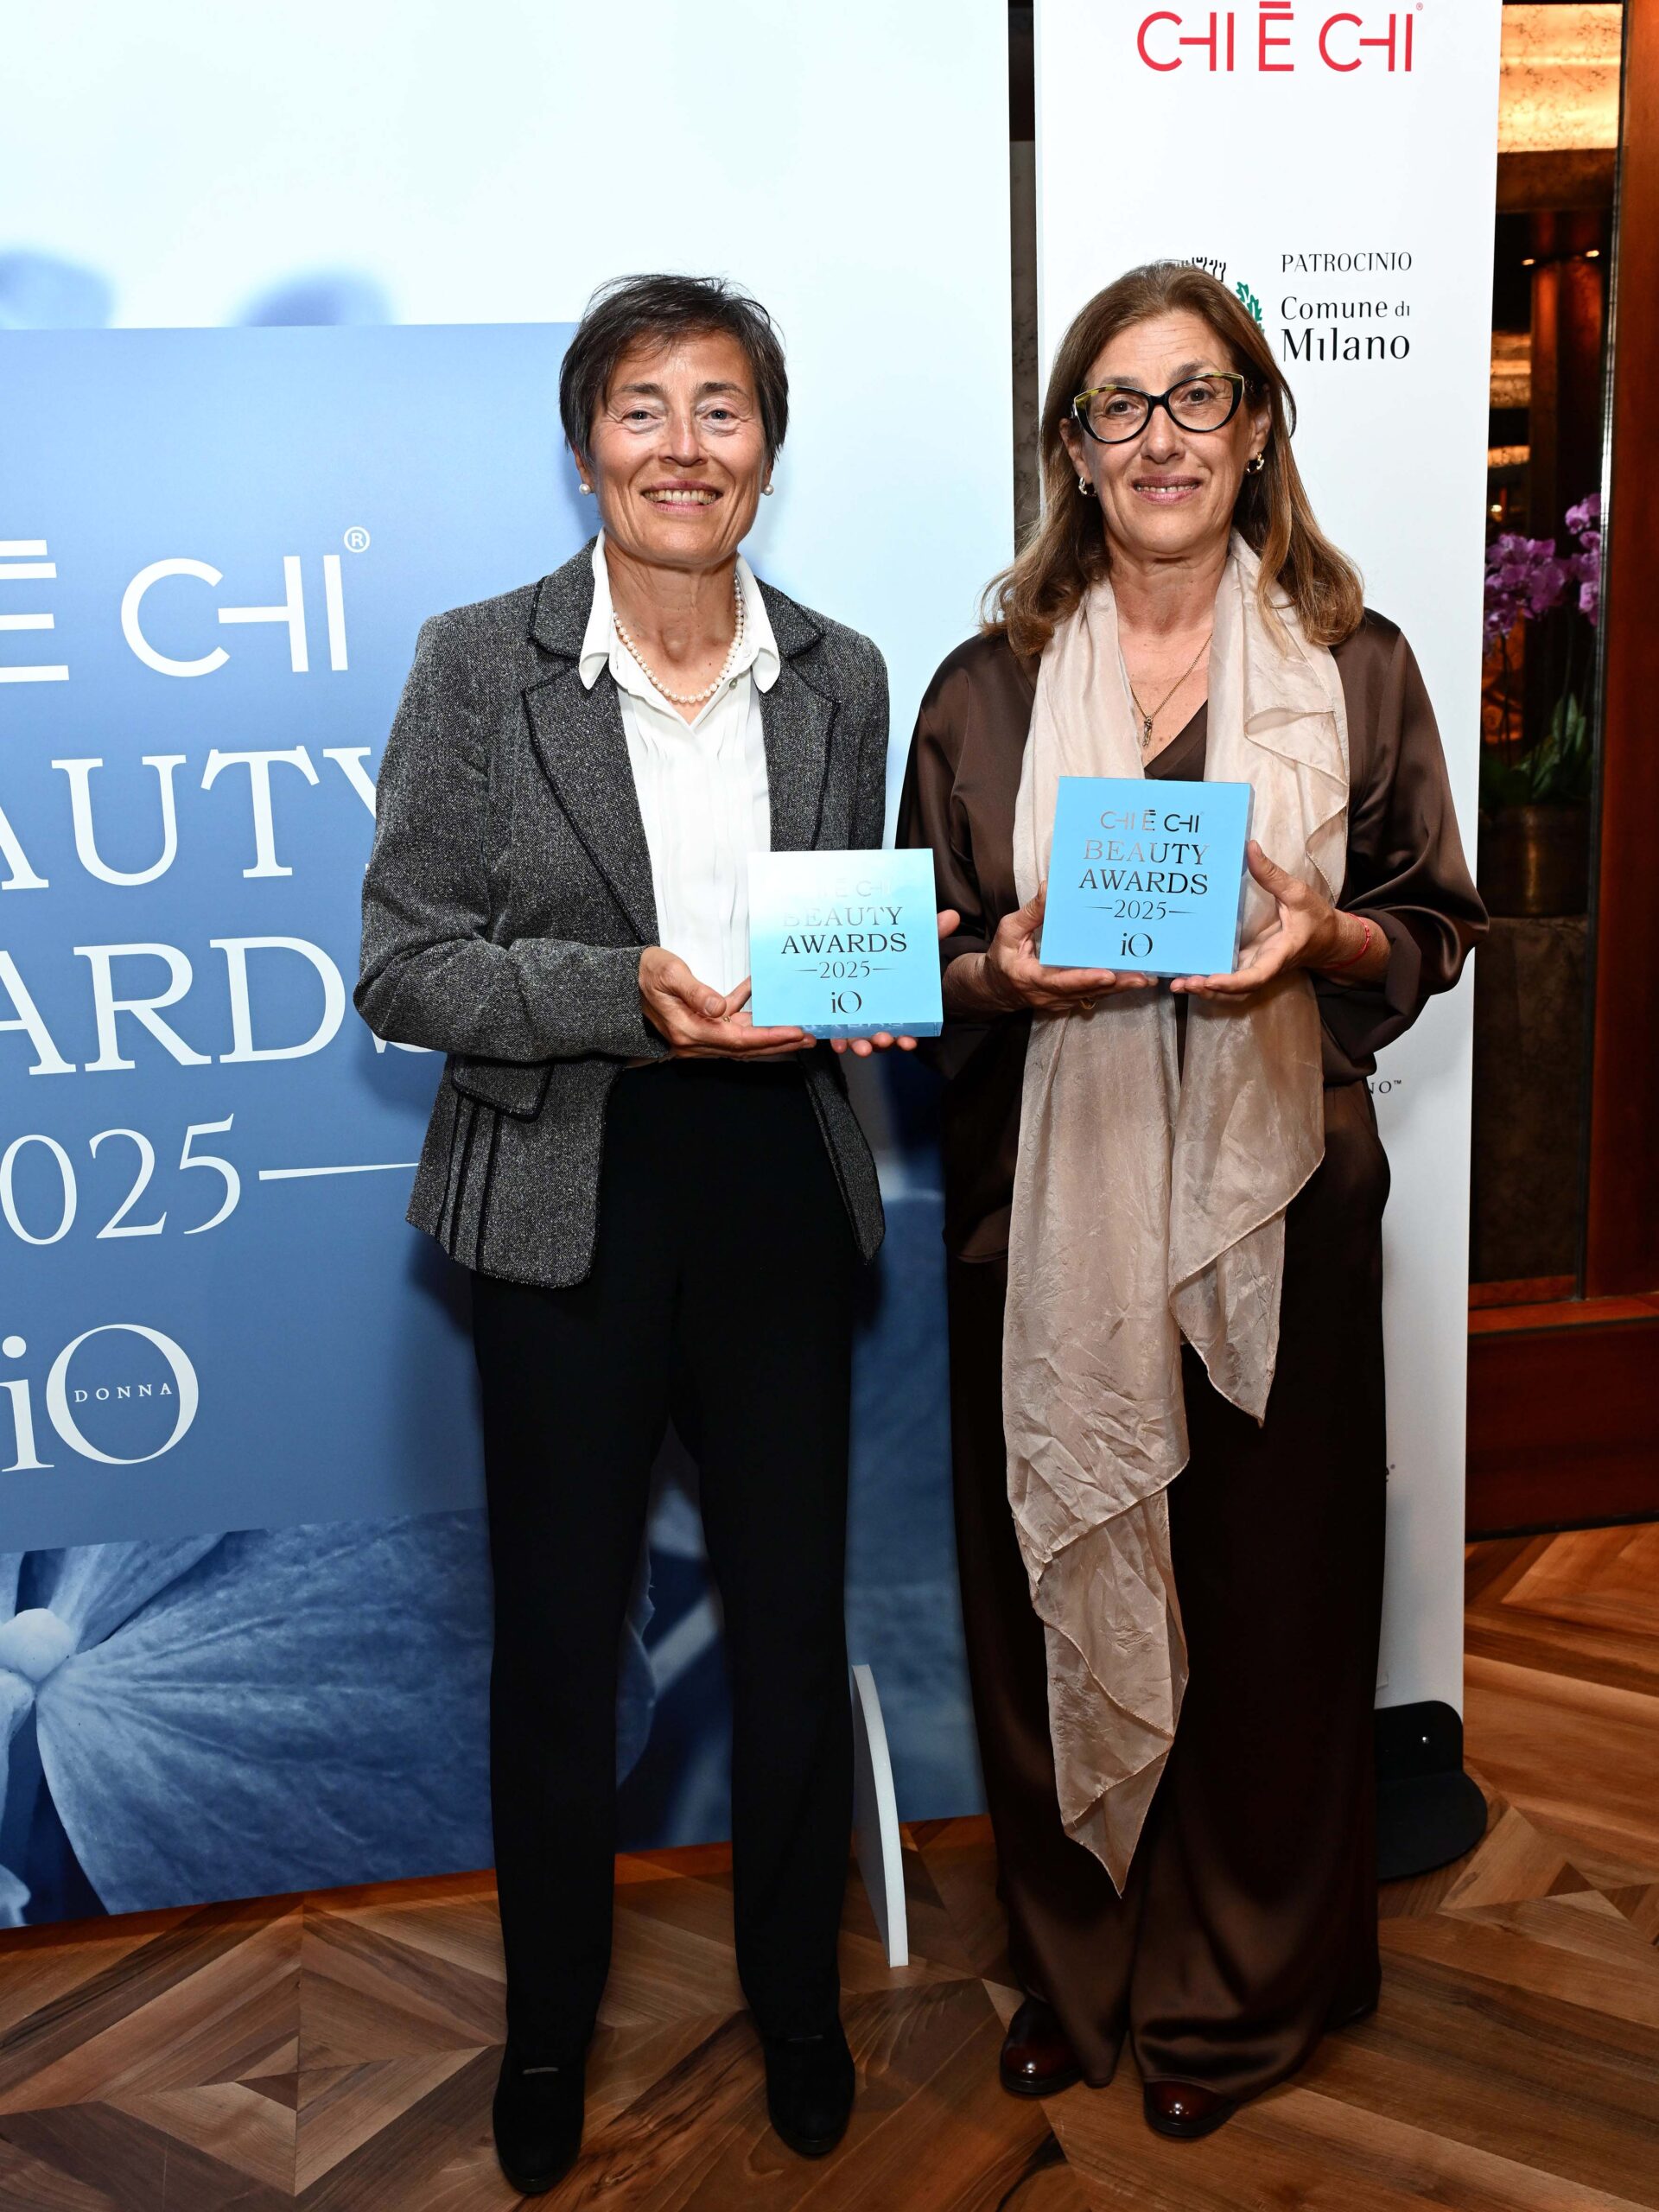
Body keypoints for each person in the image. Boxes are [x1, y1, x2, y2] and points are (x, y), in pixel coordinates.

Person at [898, 260, 1486, 2141]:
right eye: (1119, 404)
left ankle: (1238, 1989)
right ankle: (1080, 1969)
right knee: (1055, 1583)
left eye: (1198, 395)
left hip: (1276, 1215)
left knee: (1270, 1607)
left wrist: (1327, 938)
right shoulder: (984, 690)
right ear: (1074, 448)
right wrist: (1000, 972)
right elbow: (920, 952)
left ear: (1256, 430)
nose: (1160, 437)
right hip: (1040, 1221)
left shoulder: (1357, 664)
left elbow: (1433, 923)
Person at [356, 274, 907, 2195]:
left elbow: (846, 929)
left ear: (768, 446)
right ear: (587, 445)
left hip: (777, 1189)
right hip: (565, 1198)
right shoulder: (475, 663)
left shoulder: (843, 672)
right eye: (645, 408)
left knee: (790, 1633)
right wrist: (625, 993)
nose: (686, 446)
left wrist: (876, 985)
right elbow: (403, 965)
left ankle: (800, 2005)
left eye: (723, 408)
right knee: (558, 1647)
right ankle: (546, 2033)